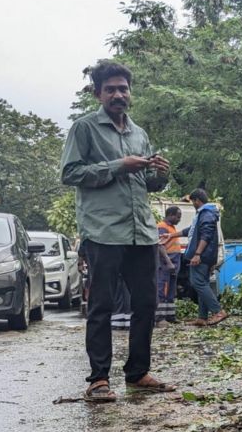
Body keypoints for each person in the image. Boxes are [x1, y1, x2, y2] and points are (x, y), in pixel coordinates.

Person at [60, 59, 177, 401]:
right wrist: (118, 165)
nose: (118, 95)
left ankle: (137, 373)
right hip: (104, 231)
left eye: (123, 89)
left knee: (146, 303)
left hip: (141, 231)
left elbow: (148, 184)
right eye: (110, 89)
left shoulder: (138, 133)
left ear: (130, 93)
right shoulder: (84, 128)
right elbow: (70, 173)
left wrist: (160, 174)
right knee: (102, 305)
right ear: (98, 93)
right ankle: (98, 379)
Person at [181, 188, 227, 326]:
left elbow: (206, 235)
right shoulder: (206, 213)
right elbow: (191, 230)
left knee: (198, 283)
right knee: (203, 283)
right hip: (207, 255)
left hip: (202, 256)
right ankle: (202, 317)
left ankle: (218, 311)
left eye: (193, 202)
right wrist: (171, 235)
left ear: (197, 200)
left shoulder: (206, 213)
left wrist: (197, 254)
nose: (193, 205)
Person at [155, 206, 182, 326]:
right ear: (170, 215)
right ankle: (159, 318)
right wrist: (168, 262)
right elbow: (160, 245)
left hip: (174, 263)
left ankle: (170, 316)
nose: (179, 219)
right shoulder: (162, 227)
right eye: (178, 217)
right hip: (166, 264)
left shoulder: (172, 228)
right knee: (162, 290)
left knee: (171, 291)